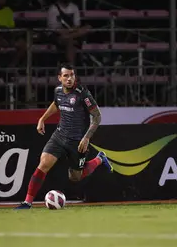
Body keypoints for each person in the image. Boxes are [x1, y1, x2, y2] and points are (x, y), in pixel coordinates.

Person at [15, 64, 112, 209]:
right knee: (44, 164)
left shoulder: (82, 93)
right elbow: (56, 103)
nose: (69, 78)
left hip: (77, 141)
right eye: (66, 75)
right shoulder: (58, 91)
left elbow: (97, 116)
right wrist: (42, 119)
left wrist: (86, 138)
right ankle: (27, 202)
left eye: (72, 75)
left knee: (75, 177)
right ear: (59, 78)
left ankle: (99, 158)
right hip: (59, 136)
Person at [46, 0, 91, 64]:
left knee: (88, 28)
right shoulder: (53, 9)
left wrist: (70, 33)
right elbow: (53, 28)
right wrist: (69, 33)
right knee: (70, 42)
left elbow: (77, 25)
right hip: (57, 35)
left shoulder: (74, 7)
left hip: (71, 33)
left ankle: (71, 68)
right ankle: (72, 67)